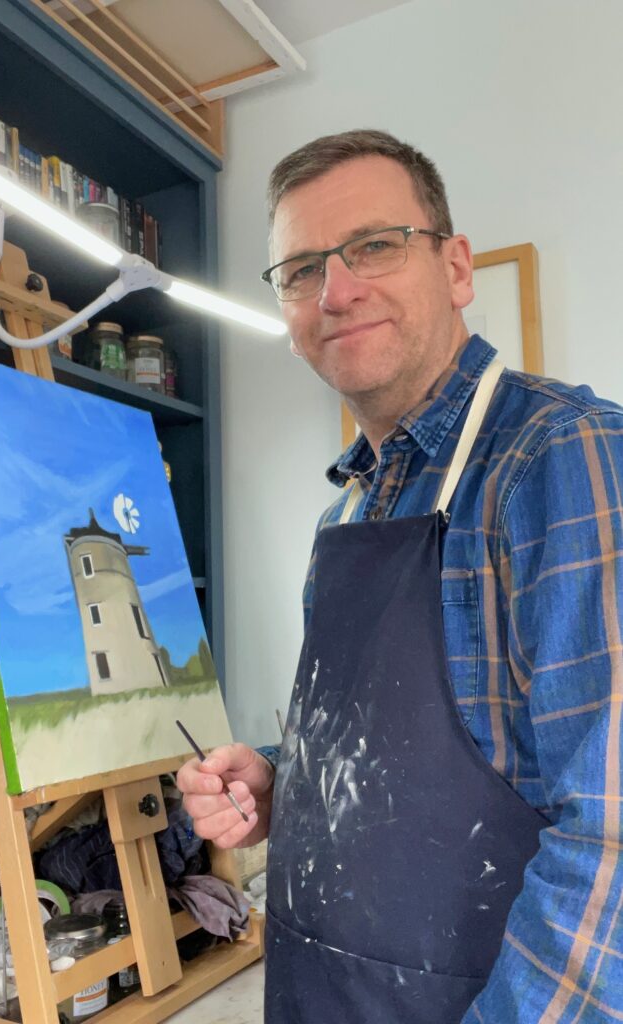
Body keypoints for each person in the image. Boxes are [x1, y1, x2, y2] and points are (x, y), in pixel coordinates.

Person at [176, 130, 623, 1023]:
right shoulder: (345, 513)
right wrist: (284, 780)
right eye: (301, 269)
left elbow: (611, 838)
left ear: (456, 268)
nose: (336, 291)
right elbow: (392, 757)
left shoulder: (563, 456)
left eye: (375, 246)